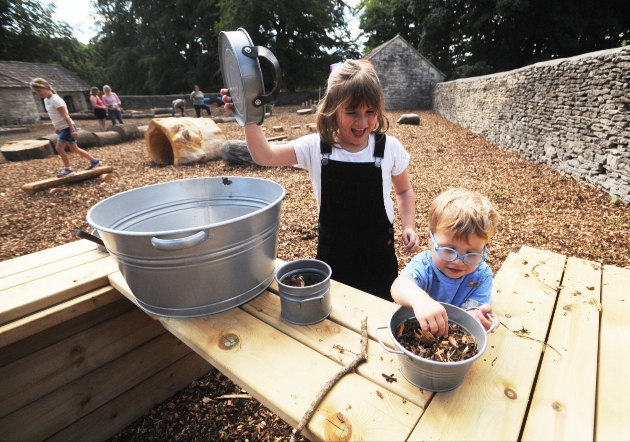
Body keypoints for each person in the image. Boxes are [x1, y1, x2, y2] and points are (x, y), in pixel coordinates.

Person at [221, 59, 419, 300]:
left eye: (370, 112)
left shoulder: (389, 148)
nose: (362, 122)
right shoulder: (316, 147)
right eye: (352, 112)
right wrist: (248, 115)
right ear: (333, 109)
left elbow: (404, 191)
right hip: (334, 258)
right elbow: (265, 155)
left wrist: (409, 225)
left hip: (379, 259)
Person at [390, 188, 501, 337]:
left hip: (453, 340)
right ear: (429, 239)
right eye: (449, 249)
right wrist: (420, 299)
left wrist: (480, 318)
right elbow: (399, 286)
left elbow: (473, 312)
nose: (458, 261)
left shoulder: (482, 276)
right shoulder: (425, 265)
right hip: (418, 330)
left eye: (471, 253)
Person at [30, 78, 102, 177]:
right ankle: (94, 161)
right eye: (36, 92)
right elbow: (55, 116)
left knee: (59, 148)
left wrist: (72, 129)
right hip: (62, 128)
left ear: (46, 88)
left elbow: (65, 116)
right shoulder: (47, 100)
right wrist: (57, 127)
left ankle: (68, 169)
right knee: (74, 149)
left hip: (67, 127)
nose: (38, 93)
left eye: (39, 90)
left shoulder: (55, 100)